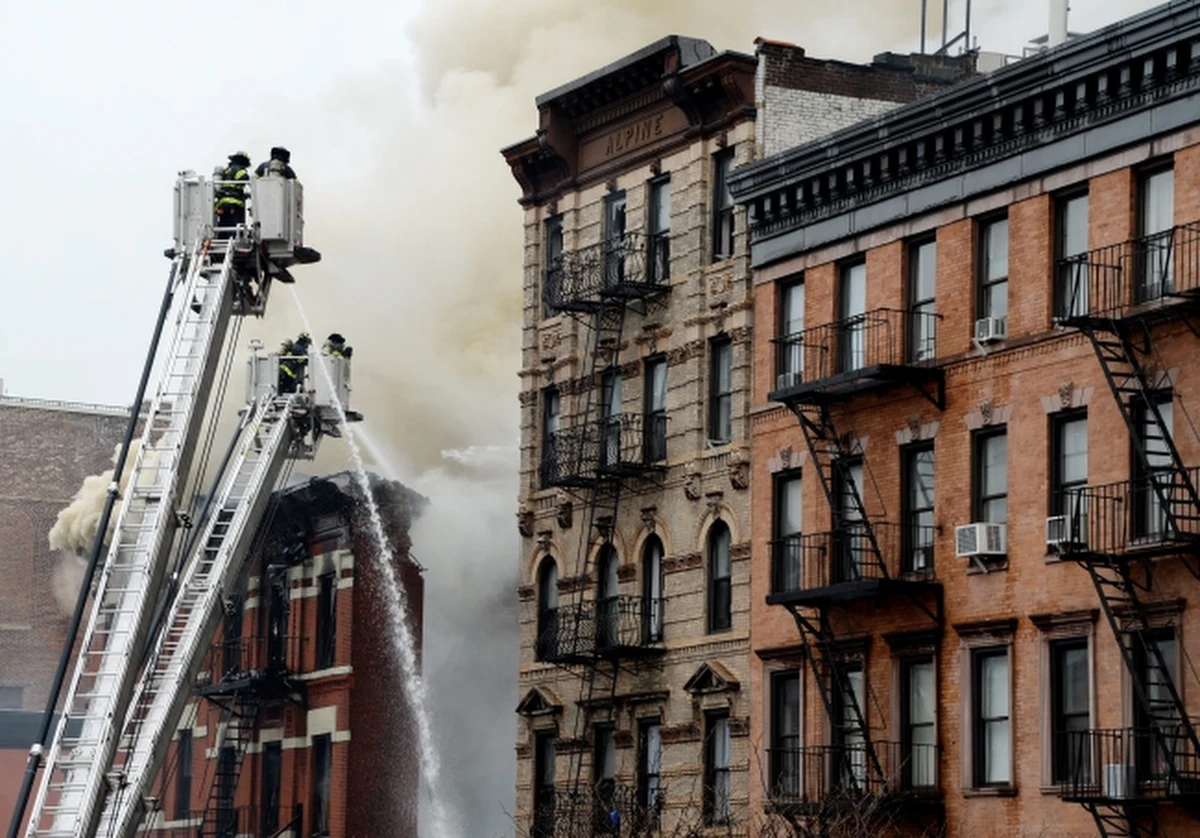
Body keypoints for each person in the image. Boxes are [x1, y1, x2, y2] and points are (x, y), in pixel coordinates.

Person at [214, 151, 251, 235]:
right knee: (235, 225)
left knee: (224, 224)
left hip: (222, 203)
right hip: (235, 203)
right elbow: (243, 179)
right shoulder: (240, 170)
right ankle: (235, 238)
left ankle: (222, 237)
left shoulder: (226, 170)